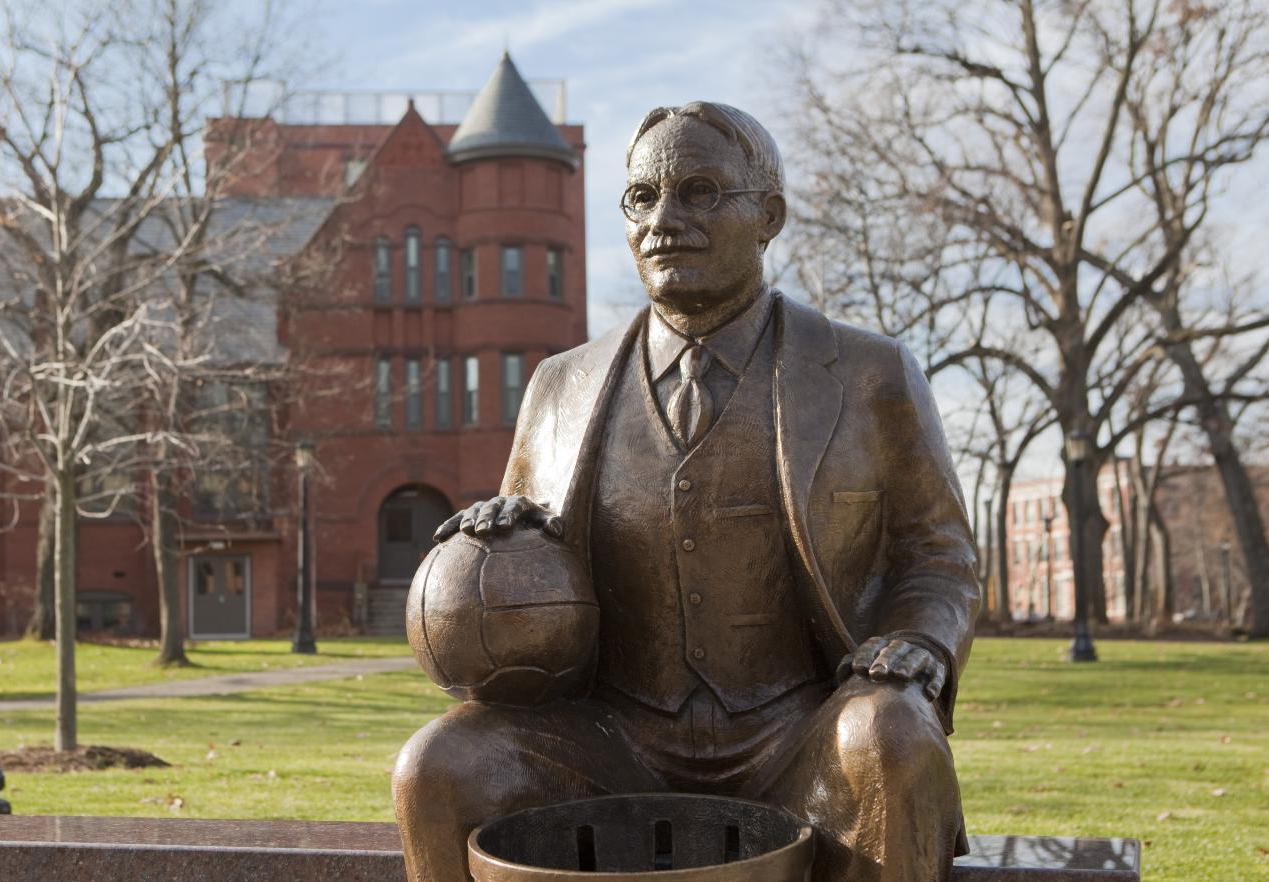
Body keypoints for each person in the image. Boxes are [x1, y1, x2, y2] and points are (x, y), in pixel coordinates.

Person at [393, 101, 980, 882]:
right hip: (610, 737)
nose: (664, 218)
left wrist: (921, 643)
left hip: (802, 730)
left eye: (700, 192)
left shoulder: (871, 374)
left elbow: (939, 557)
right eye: (643, 198)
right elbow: (525, 591)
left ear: (768, 214)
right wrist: (492, 548)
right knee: (437, 765)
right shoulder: (559, 387)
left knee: (892, 738)